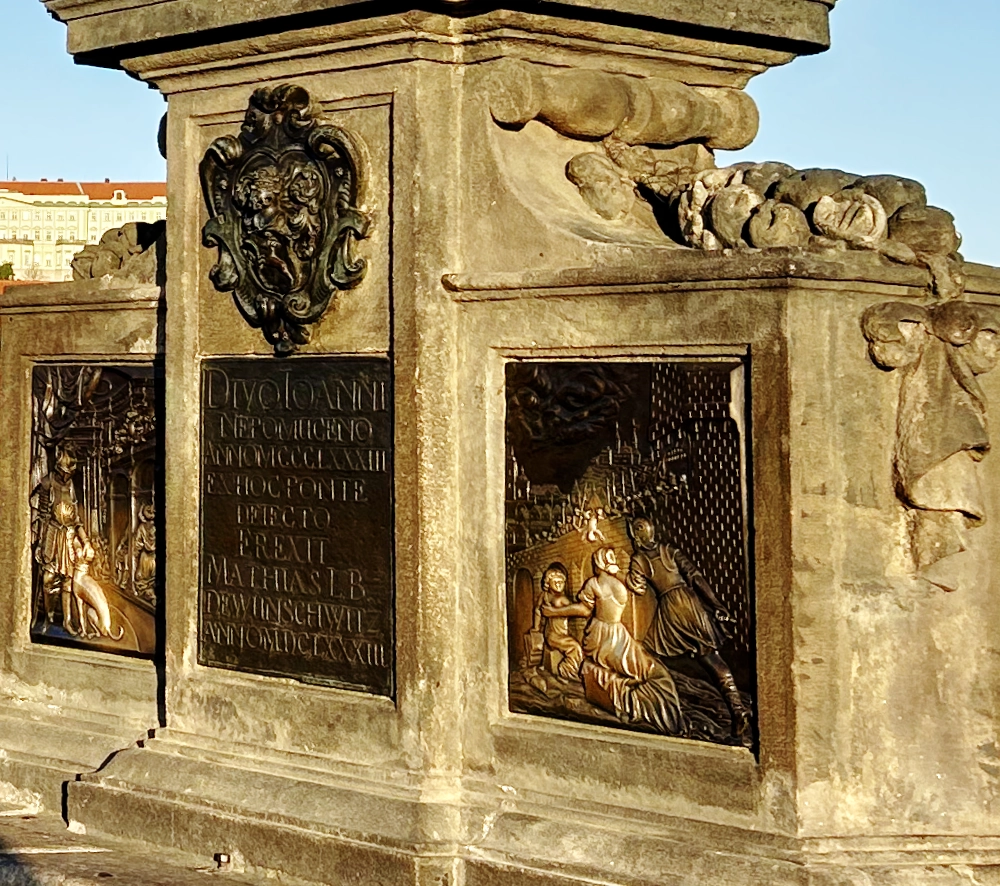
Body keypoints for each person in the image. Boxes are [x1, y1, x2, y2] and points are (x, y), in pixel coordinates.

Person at [626, 517, 751, 742]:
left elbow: (638, 587)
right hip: (691, 605)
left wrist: (629, 579)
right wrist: (715, 605)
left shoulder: (639, 560)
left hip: (671, 609)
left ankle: (669, 707)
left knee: (651, 654)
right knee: (710, 658)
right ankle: (736, 709)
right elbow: (695, 578)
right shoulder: (669, 551)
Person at [542, 546, 684, 736]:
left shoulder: (595, 583)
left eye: (595, 562)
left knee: (607, 663)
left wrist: (554, 612)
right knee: (639, 666)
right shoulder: (619, 583)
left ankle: (626, 696)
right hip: (619, 633)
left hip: (602, 634)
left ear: (598, 564)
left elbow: (584, 611)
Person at [31, 445, 81, 634]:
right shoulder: (47, 483)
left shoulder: (70, 485)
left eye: (71, 472)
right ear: (59, 469)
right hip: (51, 534)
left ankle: (67, 621)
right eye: (66, 472)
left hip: (67, 535)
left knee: (67, 579)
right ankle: (48, 618)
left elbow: (75, 516)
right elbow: (42, 515)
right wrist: (41, 542)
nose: (68, 476)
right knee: (48, 578)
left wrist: (83, 540)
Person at [528, 563, 584, 679]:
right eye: (555, 582)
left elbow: (538, 610)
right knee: (575, 647)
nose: (559, 584)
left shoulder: (545, 596)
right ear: (548, 584)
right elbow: (577, 610)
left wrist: (536, 627)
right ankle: (567, 670)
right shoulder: (561, 599)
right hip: (557, 635)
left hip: (550, 635)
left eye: (561, 582)